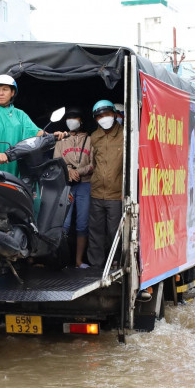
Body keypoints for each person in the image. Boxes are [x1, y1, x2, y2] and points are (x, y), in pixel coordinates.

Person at [0, 74, 65, 177]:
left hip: (16, 161)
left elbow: (34, 131)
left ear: (12, 92)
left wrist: (52, 135)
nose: (1, 93)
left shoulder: (20, 114)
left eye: (5, 89)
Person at [53, 107, 94, 268]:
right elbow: (56, 162)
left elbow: (93, 164)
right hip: (66, 185)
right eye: (69, 118)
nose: (72, 121)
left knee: (82, 224)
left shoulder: (90, 140)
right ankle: (61, 260)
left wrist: (78, 171)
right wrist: (68, 171)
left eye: (75, 118)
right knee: (64, 224)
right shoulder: (62, 141)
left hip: (85, 184)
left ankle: (78, 261)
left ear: (81, 121)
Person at [87, 99, 123, 268]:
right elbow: (93, 162)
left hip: (117, 194)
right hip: (96, 192)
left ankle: (115, 263)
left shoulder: (125, 134)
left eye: (107, 114)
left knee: (114, 232)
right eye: (100, 116)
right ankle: (95, 266)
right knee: (95, 232)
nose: (104, 118)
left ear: (115, 114)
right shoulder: (94, 137)